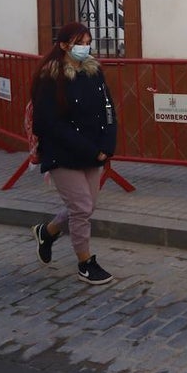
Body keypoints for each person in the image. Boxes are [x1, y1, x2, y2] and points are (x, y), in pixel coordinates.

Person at [29, 22, 118, 286]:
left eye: (88, 42)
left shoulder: (93, 72)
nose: (85, 48)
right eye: (80, 43)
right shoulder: (50, 78)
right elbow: (48, 124)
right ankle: (85, 263)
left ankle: (47, 232)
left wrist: (107, 145)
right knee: (81, 208)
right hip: (63, 153)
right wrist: (90, 149)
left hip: (94, 152)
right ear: (64, 45)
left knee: (86, 206)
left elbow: (108, 109)